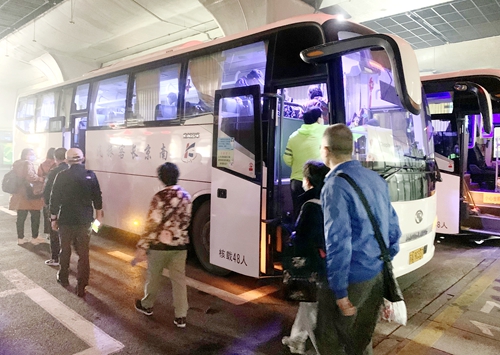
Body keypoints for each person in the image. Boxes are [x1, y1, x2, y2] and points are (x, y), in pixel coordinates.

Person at [315, 124, 401, 355]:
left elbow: (338, 241)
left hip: (353, 276)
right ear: (351, 148)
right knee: (361, 338)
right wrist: (382, 260)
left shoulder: (335, 185)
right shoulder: (375, 178)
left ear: (325, 150)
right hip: (376, 274)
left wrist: (340, 292)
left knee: (330, 339)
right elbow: (394, 229)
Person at [134, 162, 192, 328]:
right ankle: (181, 316)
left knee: (154, 276)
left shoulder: (159, 197)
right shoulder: (186, 196)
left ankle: (147, 306)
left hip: (159, 246)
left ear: (161, 178)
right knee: (179, 280)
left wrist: (143, 245)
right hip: (180, 246)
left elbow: (152, 224)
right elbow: (186, 220)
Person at [282, 160, 330, 355]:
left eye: (304, 177)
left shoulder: (309, 205)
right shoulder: (328, 198)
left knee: (310, 306)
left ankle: (323, 350)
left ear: (309, 181)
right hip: (324, 262)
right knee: (307, 304)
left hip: (312, 265)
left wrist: (288, 231)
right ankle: (296, 339)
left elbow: (303, 236)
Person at [49, 148, 103, 297]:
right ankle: (81, 286)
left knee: (65, 250)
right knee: (84, 253)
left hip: (65, 220)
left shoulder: (61, 176)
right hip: (86, 220)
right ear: (83, 158)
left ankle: (63, 277)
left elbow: (54, 199)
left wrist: (53, 219)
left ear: (66, 160)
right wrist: (98, 218)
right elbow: (97, 197)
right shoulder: (90, 175)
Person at [283, 107, 327, 220]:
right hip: (318, 181)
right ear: (319, 119)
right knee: (318, 216)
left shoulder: (293, 137)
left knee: (299, 215)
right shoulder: (326, 132)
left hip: (297, 181)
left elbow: (287, 159)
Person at [9, 148, 46, 245]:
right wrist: (40, 179)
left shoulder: (17, 164)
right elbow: (30, 176)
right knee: (35, 215)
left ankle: (20, 238)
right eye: (31, 154)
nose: (33, 156)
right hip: (29, 194)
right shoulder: (27, 163)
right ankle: (34, 237)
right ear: (26, 155)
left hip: (19, 194)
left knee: (21, 217)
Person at [42, 148, 69, 266]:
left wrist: (49, 206)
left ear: (55, 158)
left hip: (56, 207)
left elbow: (47, 191)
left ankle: (55, 258)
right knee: (67, 234)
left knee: (54, 233)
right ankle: (66, 258)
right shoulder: (70, 170)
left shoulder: (54, 172)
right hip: (70, 207)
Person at [38, 147, 56, 236]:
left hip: (45, 190)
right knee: (54, 211)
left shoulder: (42, 165)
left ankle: (48, 232)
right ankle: (55, 231)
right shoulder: (56, 165)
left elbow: (39, 176)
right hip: (54, 190)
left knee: (46, 212)